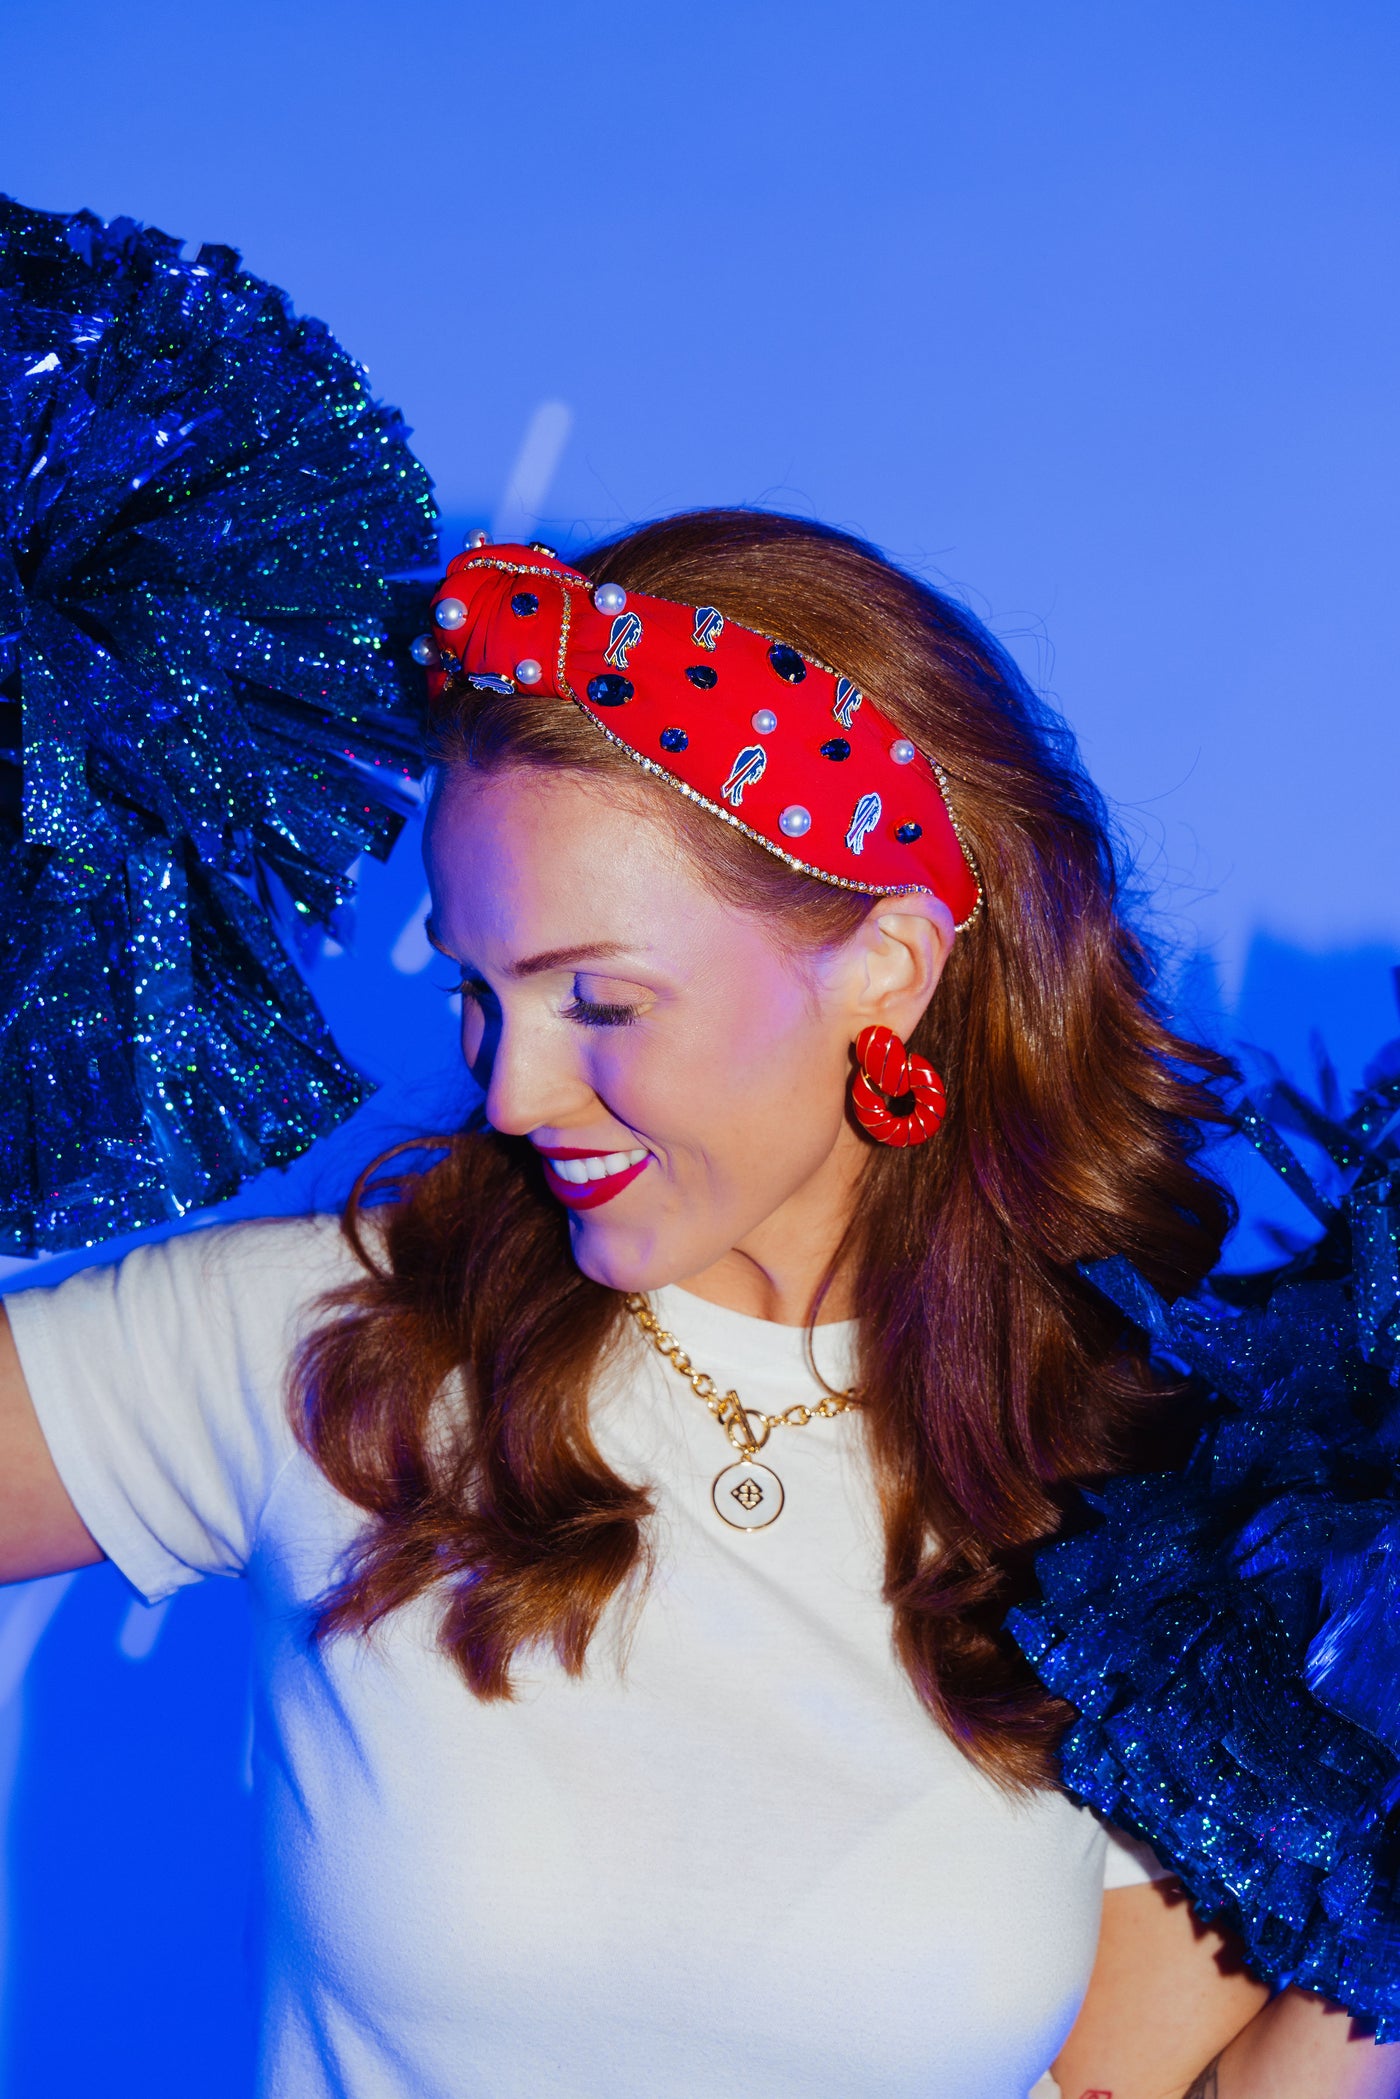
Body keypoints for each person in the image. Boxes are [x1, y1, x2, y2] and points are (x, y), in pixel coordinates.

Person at [1, 510, 1393, 2099]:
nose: (511, 1088)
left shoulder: (1137, 1487)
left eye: (600, 1000)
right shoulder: (337, 1345)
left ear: (887, 966)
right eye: (477, 986)